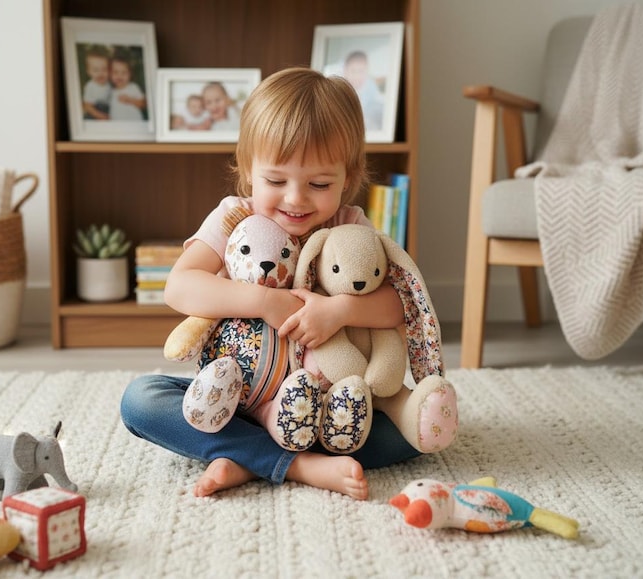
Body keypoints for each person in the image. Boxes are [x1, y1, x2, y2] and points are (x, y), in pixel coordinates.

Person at [120, 67, 421, 501]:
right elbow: (180, 286)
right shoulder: (234, 215)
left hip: (319, 406)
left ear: (349, 177)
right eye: (276, 181)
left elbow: (399, 304)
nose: (296, 198)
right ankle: (295, 464)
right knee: (141, 400)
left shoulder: (348, 225)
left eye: (319, 184)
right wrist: (263, 301)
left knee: (410, 432)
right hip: (238, 398)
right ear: (247, 171)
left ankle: (246, 458)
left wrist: (340, 311)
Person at [342, 50, 384, 131]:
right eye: (353, 71)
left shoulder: (375, 99)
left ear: (367, 72)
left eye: (361, 71)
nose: (357, 76)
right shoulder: (339, 96)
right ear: (345, 71)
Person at [108, 50, 146, 121]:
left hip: (134, 124)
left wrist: (130, 100)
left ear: (130, 74)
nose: (119, 76)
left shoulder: (133, 87)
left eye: (124, 72)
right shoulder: (112, 91)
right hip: (118, 127)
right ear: (110, 74)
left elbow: (143, 104)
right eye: (115, 72)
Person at [81, 45, 111, 120]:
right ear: (88, 71)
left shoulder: (109, 84)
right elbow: (87, 106)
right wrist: (101, 117)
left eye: (104, 69)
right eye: (95, 70)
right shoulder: (90, 86)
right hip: (93, 114)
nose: (100, 73)